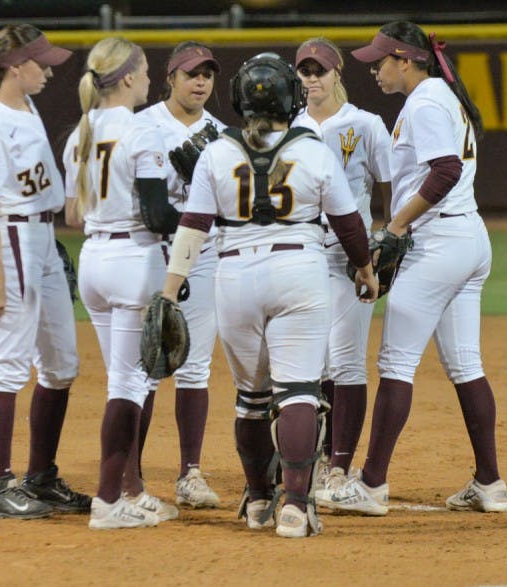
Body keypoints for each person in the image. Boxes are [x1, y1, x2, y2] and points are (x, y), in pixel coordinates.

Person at [155, 53, 379, 538]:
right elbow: (347, 222)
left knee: (252, 400)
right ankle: (296, 507)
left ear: (238, 98)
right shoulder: (313, 147)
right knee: (299, 391)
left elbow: (193, 226)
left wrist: (170, 291)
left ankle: (258, 501)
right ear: (291, 97)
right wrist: (365, 269)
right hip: (299, 267)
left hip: (234, 275)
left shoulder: (217, 151)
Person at [317, 21, 507, 515]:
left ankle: (372, 485)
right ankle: (489, 483)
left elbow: (445, 170)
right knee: (466, 364)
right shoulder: (443, 96)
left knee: (396, 364)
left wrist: (397, 225)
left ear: (406, 59)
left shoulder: (423, 102)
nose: (374, 70)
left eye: (380, 61)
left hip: (439, 242)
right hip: (468, 238)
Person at [0, 24, 91, 519]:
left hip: (40, 239)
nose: (51, 69)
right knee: (8, 365)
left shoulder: (27, 106)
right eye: (42, 62)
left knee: (62, 367)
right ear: (16, 67)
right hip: (10, 240)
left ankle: (41, 478)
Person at [62, 36, 180, 530]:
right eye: (147, 70)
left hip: (93, 258)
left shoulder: (81, 132)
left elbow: (72, 215)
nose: (151, 79)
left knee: (125, 381)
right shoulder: (141, 130)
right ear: (127, 77)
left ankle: (128, 489)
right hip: (133, 258)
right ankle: (109, 500)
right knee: (130, 383)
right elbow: (156, 214)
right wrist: (197, 210)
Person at [289, 38, 391, 492]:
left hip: (351, 257)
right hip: (303, 254)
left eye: (320, 70)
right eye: (305, 71)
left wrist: (383, 240)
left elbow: (390, 184)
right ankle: (318, 455)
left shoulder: (365, 124)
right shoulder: (288, 127)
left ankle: (338, 467)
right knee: (317, 362)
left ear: (337, 73)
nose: (312, 78)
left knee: (347, 360)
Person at [133, 41, 226, 509]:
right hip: (151, 254)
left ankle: (190, 474)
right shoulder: (143, 125)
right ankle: (131, 474)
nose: (200, 81)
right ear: (170, 77)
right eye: (191, 73)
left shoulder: (223, 134)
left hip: (204, 258)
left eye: (207, 73)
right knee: (146, 367)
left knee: (196, 369)